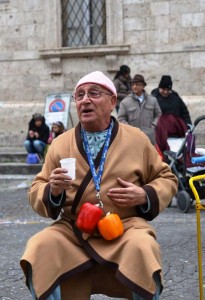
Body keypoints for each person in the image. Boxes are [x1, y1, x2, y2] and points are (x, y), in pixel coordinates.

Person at [20, 71, 178, 300]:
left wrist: (144, 195)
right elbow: (36, 188)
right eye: (80, 95)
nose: (85, 100)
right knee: (39, 247)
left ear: (112, 101)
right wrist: (52, 190)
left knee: (143, 248)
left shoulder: (137, 139)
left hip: (125, 227)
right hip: (74, 231)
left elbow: (167, 178)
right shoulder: (60, 144)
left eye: (94, 94)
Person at [118, 74, 162, 145]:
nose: (135, 86)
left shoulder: (152, 100)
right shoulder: (125, 102)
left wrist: (153, 126)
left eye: (138, 84)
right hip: (132, 138)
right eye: (133, 84)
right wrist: (129, 129)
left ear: (143, 86)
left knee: (148, 155)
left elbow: (158, 114)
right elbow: (121, 118)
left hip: (149, 137)